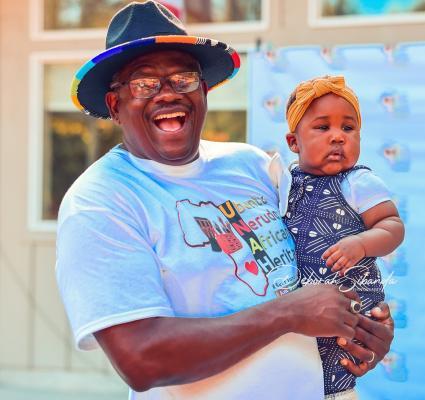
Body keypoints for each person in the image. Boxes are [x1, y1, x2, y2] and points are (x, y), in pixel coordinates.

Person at [56, 2, 394, 399]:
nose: (167, 94)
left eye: (183, 78)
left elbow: (312, 262)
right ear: (115, 105)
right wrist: (287, 315)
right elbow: (141, 359)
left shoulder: (251, 165)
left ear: (203, 90)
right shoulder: (101, 201)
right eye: (144, 84)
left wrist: (364, 328)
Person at [278, 75, 405, 399]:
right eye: (323, 128)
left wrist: (361, 244)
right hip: (301, 307)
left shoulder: (358, 182)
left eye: (348, 129)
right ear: (294, 142)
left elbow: (392, 225)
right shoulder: (284, 182)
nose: (338, 137)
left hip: (351, 303)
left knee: (338, 372)